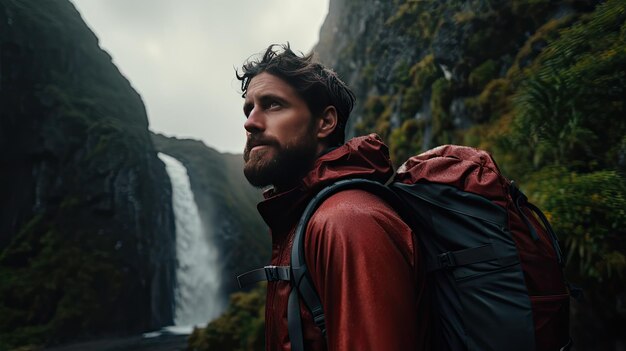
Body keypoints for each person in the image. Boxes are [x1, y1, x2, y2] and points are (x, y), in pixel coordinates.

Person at [237, 43, 430, 351]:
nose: (250, 122)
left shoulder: (346, 222)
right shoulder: (309, 217)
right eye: (249, 109)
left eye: (273, 105)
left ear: (325, 122)